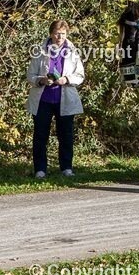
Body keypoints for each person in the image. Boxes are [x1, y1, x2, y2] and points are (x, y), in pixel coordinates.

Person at [26, 20, 85, 178]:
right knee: (40, 136)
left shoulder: (73, 51)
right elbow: (30, 75)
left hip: (64, 100)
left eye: (63, 34)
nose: (60, 37)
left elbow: (80, 75)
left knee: (65, 135)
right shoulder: (40, 50)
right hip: (43, 100)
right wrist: (41, 80)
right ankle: (40, 169)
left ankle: (66, 168)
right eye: (57, 33)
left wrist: (66, 79)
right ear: (51, 33)